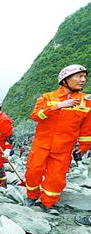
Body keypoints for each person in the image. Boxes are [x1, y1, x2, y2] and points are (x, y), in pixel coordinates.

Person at [25, 65, 90, 211]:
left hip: (64, 148)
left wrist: (84, 148)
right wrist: (58, 106)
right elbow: (36, 116)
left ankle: (47, 203)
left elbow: (86, 129)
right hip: (42, 144)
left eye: (84, 77)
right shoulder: (47, 97)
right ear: (65, 80)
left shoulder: (86, 101)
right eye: (79, 76)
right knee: (33, 171)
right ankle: (32, 196)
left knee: (56, 178)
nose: (83, 80)